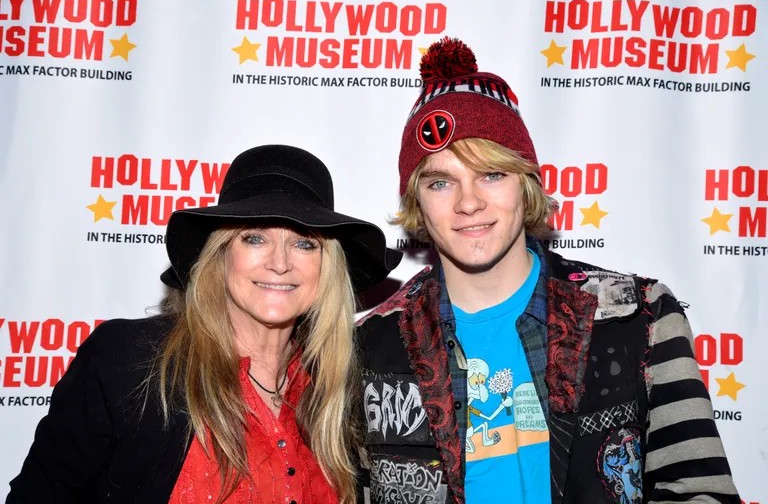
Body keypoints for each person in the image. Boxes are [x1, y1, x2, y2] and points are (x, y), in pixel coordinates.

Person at [356, 37, 740, 504]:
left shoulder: (640, 317)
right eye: (441, 182)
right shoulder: (370, 346)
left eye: (492, 174)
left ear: (527, 185)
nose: (469, 202)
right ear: (417, 201)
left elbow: (700, 492)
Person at [7, 145, 402, 504]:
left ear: (327, 268)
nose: (280, 263)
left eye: (304, 243)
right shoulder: (129, 363)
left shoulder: (338, 391)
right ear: (220, 254)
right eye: (254, 238)